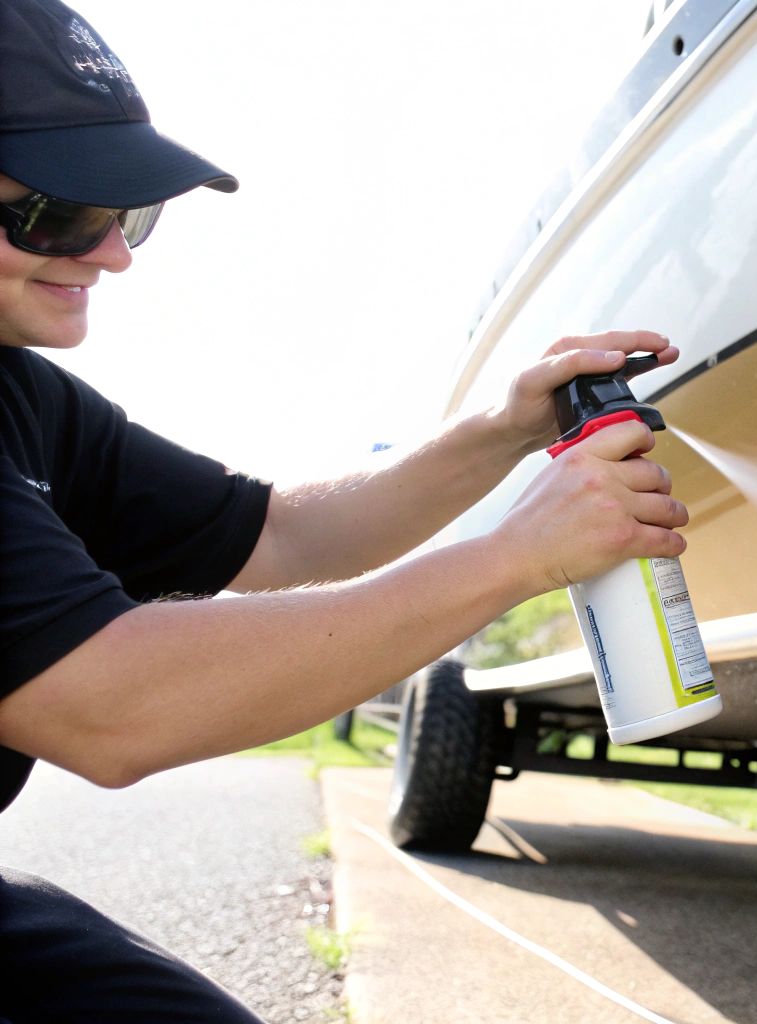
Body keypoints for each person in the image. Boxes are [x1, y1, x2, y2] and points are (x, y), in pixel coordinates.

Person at [0, 0, 690, 1017]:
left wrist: (500, 428)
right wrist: (516, 556)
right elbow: (110, 706)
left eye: (128, 215)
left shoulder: (24, 394)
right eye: (58, 215)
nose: (114, 256)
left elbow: (279, 535)